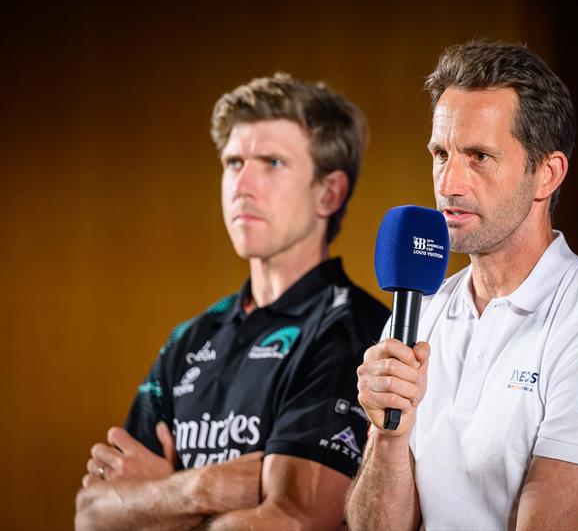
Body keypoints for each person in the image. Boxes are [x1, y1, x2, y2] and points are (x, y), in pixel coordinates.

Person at [346, 40, 578, 531]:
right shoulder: (420, 312)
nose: (449, 182)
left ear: (547, 174)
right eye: (440, 154)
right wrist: (389, 437)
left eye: (479, 157)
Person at [75, 73, 389, 530]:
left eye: (272, 163)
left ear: (329, 192)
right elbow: (90, 515)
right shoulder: (190, 337)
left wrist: (155, 499)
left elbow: (291, 523)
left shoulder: (353, 331)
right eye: (233, 162)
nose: (242, 184)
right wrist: (202, 487)